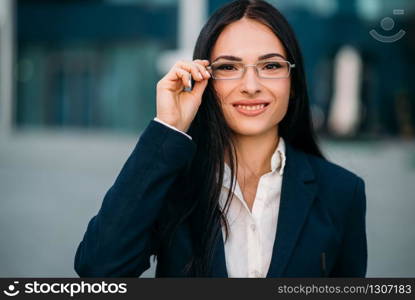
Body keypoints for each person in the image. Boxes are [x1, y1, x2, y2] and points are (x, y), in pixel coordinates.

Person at [74, 0, 367, 278]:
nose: (251, 86)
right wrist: (167, 126)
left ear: (293, 82)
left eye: (271, 66)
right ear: (204, 80)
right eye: (228, 67)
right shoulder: (173, 184)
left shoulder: (342, 192)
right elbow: (99, 269)